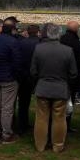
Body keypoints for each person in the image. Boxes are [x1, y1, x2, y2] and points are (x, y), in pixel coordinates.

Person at [31, 23, 77, 152]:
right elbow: (73, 73)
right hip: (60, 88)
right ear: (59, 34)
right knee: (59, 118)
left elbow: (33, 71)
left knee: (41, 118)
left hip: (43, 87)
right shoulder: (68, 50)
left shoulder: (38, 49)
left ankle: (40, 145)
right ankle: (57, 145)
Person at [0, 19, 22, 143]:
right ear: (12, 30)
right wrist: (15, 75)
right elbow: (17, 61)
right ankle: (6, 134)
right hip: (8, 78)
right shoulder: (13, 42)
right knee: (7, 107)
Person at [60, 21, 80, 133]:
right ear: (76, 30)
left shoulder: (60, 40)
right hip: (72, 77)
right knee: (69, 102)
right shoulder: (77, 43)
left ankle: (58, 123)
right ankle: (66, 124)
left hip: (59, 75)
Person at [17, 24, 40, 134]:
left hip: (24, 75)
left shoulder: (21, 43)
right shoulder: (41, 43)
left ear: (27, 32)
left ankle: (22, 125)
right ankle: (40, 126)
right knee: (42, 103)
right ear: (38, 32)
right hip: (37, 76)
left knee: (23, 103)